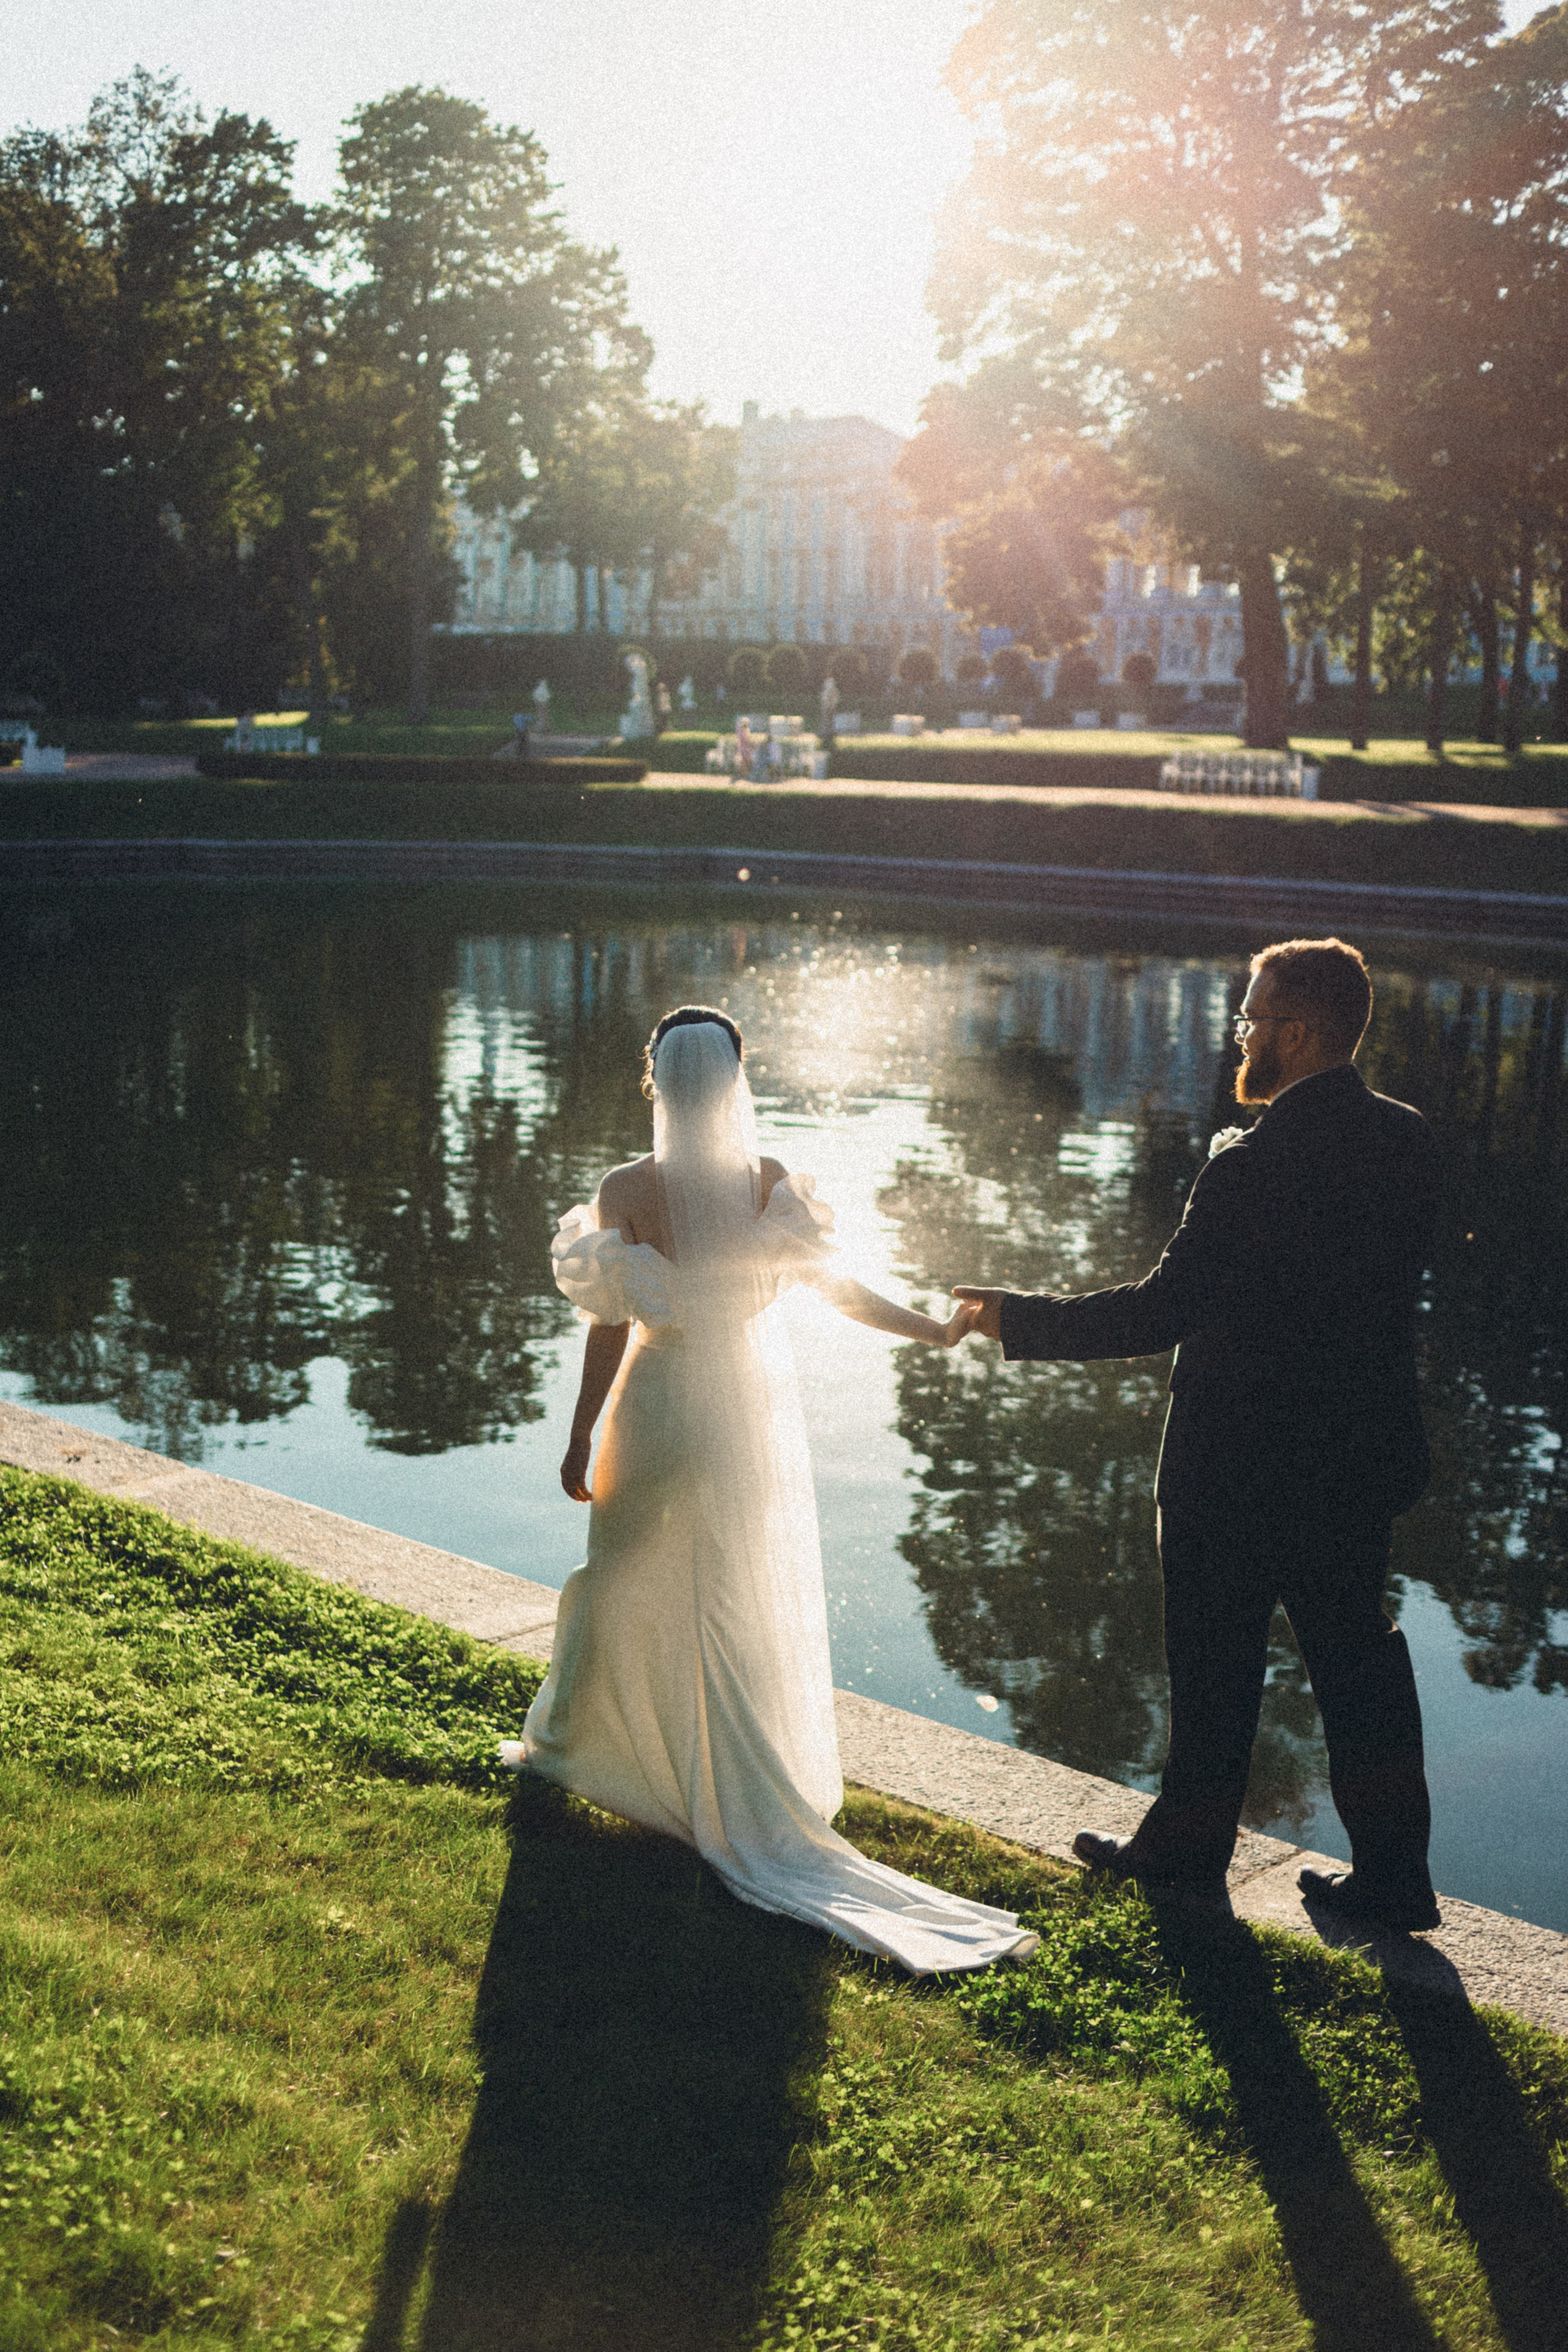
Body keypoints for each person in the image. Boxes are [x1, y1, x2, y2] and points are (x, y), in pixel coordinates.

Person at [500, 1006, 1036, 1976]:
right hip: (745, 1411)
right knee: (733, 1596)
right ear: (738, 1082)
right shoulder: (772, 1186)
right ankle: (689, 1769)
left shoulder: (626, 1187)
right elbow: (837, 1290)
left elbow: (610, 1326)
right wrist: (931, 1329)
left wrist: (580, 1430)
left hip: (661, 1405)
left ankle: (595, 1748)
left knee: (625, 1575)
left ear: (656, 1081)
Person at [955, 938, 1444, 1934]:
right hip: (1355, 1456)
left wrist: (1018, 1317)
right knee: (1358, 1660)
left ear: (1298, 1034)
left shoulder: (1248, 1165)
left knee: (1216, 1663)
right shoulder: (1410, 1141)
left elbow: (1158, 1311)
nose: (1242, 1037)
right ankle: (1397, 1877)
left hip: (1236, 1464)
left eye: (1252, 1020)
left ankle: (1185, 1854)